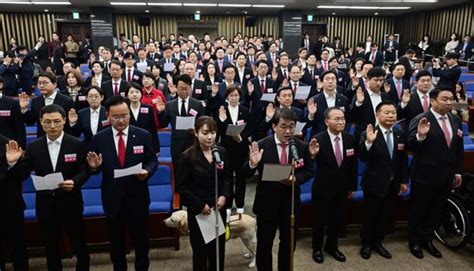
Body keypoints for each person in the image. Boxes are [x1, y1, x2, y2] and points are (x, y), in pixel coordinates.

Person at [7, 104, 90, 270]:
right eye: (48, 122)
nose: (53, 126)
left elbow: (84, 170)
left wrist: (75, 182)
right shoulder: (34, 146)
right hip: (45, 204)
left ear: (64, 121)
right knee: (51, 247)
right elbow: (21, 174)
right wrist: (12, 162)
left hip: (70, 201)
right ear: (41, 122)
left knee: (79, 243)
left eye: (57, 121)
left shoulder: (76, 144)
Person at [86, 95, 158, 270]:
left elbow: (152, 161)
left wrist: (147, 171)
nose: (121, 120)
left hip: (137, 196)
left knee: (141, 241)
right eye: (116, 116)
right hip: (113, 198)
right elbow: (92, 168)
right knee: (116, 242)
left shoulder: (142, 135)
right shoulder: (99, 139)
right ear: (107, 116)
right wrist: (94, 167)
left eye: (125, 115)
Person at [243, 108, 313, 271]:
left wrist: (296, 179)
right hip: (266, 203)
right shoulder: (261, 145)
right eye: (283, 126)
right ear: (274, 126)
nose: (288, 131)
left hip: (290, 204)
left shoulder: (301, 147)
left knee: (288, 245)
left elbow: (309, 171)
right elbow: (245, 174)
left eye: (292, 126)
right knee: (264, 245)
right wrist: (253, 163)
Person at [407, 86, 464, 259]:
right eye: (444, 99)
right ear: (432, 101)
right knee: (419, 209)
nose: (449, 102)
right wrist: (420, 137)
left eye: (451, 99)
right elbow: (410, 146)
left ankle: (427, 239)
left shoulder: (455, 119)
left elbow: (458, 149)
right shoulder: (421, 119)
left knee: (436, 210)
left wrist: (458, 172)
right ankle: (414, 242)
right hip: (424, 175)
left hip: (446, 175)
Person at [176, 116, 231, 271]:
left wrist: (224, 196)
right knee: (200, 253)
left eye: (213, 133)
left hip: (218, 209)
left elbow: (227, 177)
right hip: (199, 211)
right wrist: (200, 206)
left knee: (218, 252)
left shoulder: (221, 152)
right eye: (205, 132)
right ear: (196, 133)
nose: (209, 137)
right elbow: (181, 187)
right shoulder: (188, 156)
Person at [358, 101, 409, 260]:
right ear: (377, 114)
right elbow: (363, 157)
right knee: (370, 215)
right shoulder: (368, 132)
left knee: (385, 215)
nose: (390, 115)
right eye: (386, 112)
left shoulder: (399, 133)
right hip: (374, 183)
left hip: (392, 183)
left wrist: (403, 181)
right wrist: (369, 142)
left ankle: (378, 242)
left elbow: (402, 160)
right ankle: (366, 244)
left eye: (393, 112)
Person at [308, 107, 357, 264]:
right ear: (326, 121)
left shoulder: (350, 138)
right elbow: (309, 163)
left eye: (342, 118)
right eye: (336, 118)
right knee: (319, 222)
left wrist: (352, 187)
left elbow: (353, 165)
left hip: (342, 188)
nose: (341, 121)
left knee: (336, 220)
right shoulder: (318, 138)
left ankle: (332, 246)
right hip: (323, 188)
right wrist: (312, 155)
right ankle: (317, 249)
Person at [155, 74, 205, 173]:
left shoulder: (197, 104)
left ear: (190, 88)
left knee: (193, 173)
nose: (184, 91)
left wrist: (196, 130)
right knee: (177, 173)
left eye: (186, 88)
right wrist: (161, 112)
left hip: (192, 144)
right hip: (176, 146)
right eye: (181, 88)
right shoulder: (169, 105)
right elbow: (163, 124)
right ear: (176, 88)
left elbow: (202, 124)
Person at [215, 85, 251, 215]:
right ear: (227, 97)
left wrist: (240, 137)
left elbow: (249, 129)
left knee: (241, 177)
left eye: (236, 95)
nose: (234, 98)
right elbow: (219, 131)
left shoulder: (245, 111)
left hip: (241, 148)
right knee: (228, 178)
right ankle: (229, 204)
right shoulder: (221, 111)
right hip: (227, 149)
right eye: (231, 95)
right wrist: (222, 120)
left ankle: (240, 203)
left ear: (240, 97)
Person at [0, 133, 29, 271]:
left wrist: (11, 164)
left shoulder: (9, 144)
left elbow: (22, 175)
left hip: (9, 206)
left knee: (17, 248)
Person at [19, 71, 74, 138]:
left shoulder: (67, 101)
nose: (41, 86)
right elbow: (30, 122)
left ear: (54, 84)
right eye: (39, 83)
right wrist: (24, 109)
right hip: (42, 141)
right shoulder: (35, 101)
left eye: (45, 83)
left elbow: (70, 124)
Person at [350, 67, 391, 145]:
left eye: (381, 80)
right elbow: (352, 117)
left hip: (383, 134)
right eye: (375, 80)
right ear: (368, 80)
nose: (379, 83)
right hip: (364, 135)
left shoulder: (385, 96)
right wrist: (358, 103)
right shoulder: (361, 95)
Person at [307, 70, 350, 137]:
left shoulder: (343, 99)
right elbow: (308, 124)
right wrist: (311, 114)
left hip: (339, 136)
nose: (330, 81)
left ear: (336, 81)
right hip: (319, 137)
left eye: (333, 79)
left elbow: (348, 119)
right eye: (327, 79)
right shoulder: (314, 100)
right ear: (322, 82)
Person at [128, 83, 160, 154]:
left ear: (141, 94)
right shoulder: (124, 109)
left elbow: (153, 129)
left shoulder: (148, 108)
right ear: (127, 95)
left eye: (137, 92)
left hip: (146, 143)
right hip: (129, 144)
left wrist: (156, 149)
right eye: (131, 92)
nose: (134, 94)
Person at [0, 78, 26, 148]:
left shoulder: (12, 103)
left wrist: (22, 147)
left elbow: (19, 128)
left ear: (1, 85)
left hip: (9, 147)